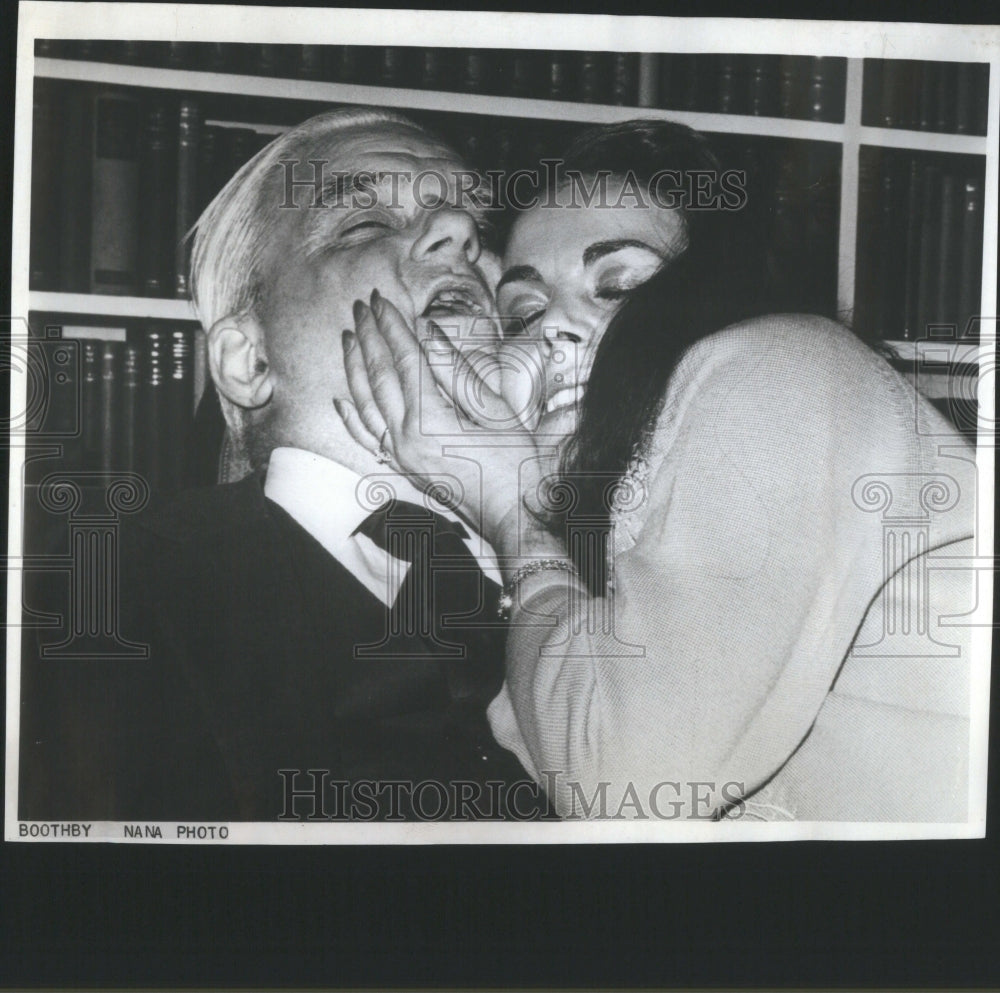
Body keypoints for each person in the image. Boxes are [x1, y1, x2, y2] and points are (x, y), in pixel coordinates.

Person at [340, 119, 978, 822]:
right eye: (522, 312)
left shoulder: (783, 370)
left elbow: (622, 782)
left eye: (615, 285)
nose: (552, 327)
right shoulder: (629, 520)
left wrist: (513, 514)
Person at [19, 108, 542, 822]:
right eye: (362, 225)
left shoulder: (616, 560)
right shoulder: (96, 596)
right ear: (249, 360)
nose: (460, 236)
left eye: (475, 228)